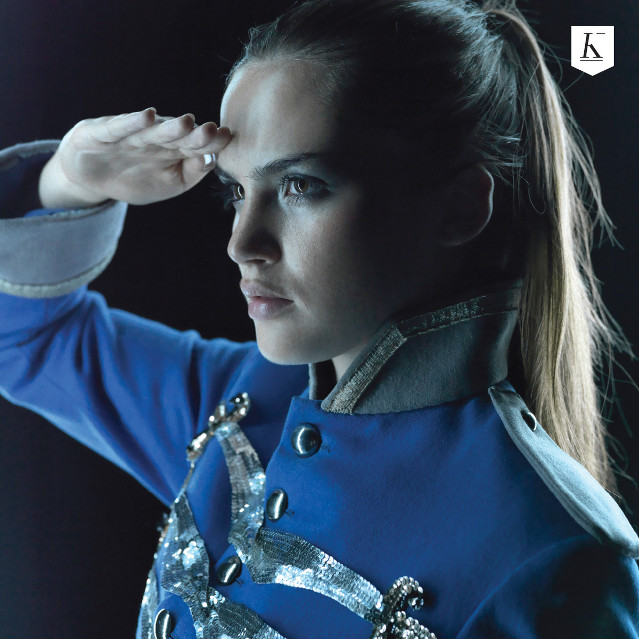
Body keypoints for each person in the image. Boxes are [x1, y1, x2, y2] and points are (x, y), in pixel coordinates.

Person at [0, 0, 638, 636]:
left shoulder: (554, 556)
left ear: (460, 207)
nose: (242, 243)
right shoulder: (239, 407)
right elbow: (24, 338)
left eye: (300, 186)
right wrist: (68, 182)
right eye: (237, 191)